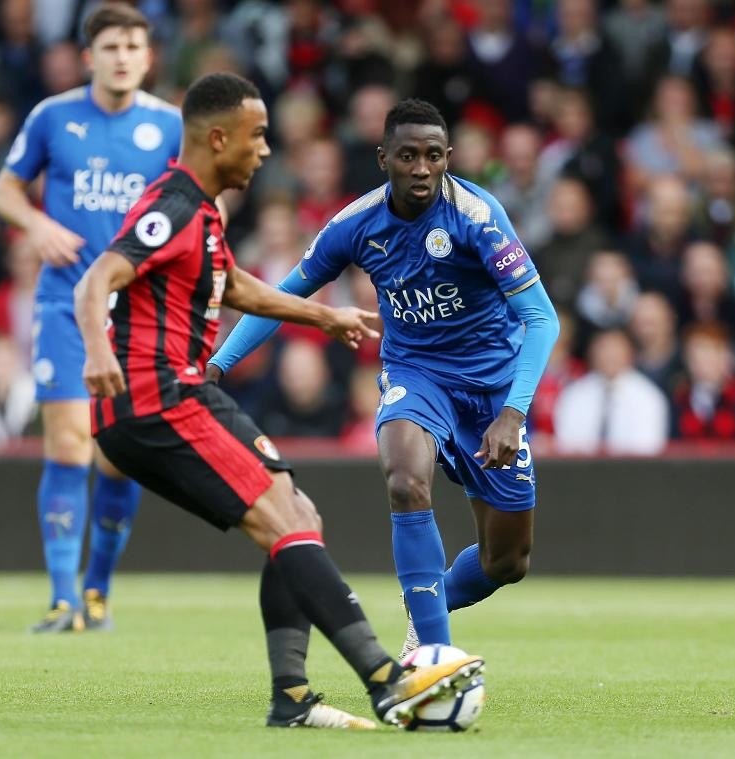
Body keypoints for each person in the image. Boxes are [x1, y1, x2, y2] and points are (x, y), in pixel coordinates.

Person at [74, 72, 484, 730]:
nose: (265, 149)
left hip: (175, 395)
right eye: (256, 134)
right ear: (218, 137)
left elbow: (232, 284)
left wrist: (319, 316)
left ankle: (291, 696)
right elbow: (102, 275)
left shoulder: (205, 212)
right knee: (285, 519)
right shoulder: (174, 204)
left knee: (299, 515)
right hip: (159, 397)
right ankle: (385, 678)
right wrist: (97, 353)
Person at [208, 99, 560, 658]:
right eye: (408, 156)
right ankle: (432, 658)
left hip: (494, 392)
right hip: (417, 376)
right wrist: (216, 365)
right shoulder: (354, 224)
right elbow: (281, 297)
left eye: (434, 156)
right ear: (384, 158)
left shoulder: (477, 216)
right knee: (404, 478)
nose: (422, 168)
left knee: (507, 562)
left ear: (447, 158)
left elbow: (542, 318)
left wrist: (513, 412)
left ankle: (429, 600)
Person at [0, 5, 182, 632]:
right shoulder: (53, 117)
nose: (122, 56)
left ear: (148, 58)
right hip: (66, 302)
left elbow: (204, 210)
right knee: (69, 442)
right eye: (110, 46)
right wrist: (38, 224)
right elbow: (3, 190)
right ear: (87, 57)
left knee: (118, 456)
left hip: (140, 313)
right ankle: (62, 597)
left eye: (133, 46)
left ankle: (97, 591)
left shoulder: (170, 127)